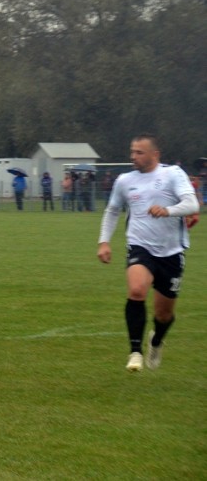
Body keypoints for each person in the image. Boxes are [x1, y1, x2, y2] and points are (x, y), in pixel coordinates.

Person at [97, 134, 199, 372]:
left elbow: (192, 204)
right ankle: (135, 352)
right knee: (136, 289)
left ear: (155, 154)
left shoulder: (172, 174)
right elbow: (112, 211)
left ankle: (156, 341)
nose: (133, 157)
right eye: (132, 152)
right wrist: (104, 242)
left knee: (163, 314)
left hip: (171, 252)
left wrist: (168, 210)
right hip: (140, 246)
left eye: (139, 152)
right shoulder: (124, 180)